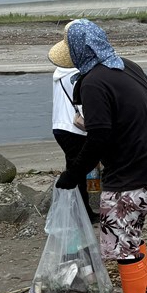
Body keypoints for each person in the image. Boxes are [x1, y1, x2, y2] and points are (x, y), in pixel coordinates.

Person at [50, 20, 147, 293]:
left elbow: (99, 137)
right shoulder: (125, 65)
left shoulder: (94, 81)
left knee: (121, 242)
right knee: (131, 237)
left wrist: (72, 174)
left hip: (129, 176)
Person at [51, 38, 97, 223]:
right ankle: (81, 213)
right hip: (73, 128)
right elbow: (83, 101)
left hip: (59, 126)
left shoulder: (58, 72)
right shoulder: (76, 75)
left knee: (75, 167)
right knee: (78, 171)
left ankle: (78, 210)